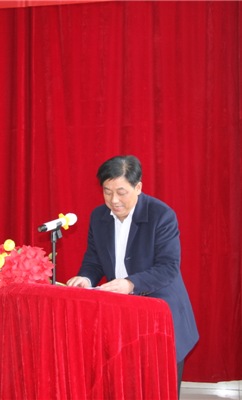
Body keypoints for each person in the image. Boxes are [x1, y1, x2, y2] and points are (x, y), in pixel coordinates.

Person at [67, 155, 199, 397]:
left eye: (121, 192)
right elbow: (94, 261)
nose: (113, 200)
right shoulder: (98, 216)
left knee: (160, 390)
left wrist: (131, 284)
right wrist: (85, 279)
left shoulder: (161, 215)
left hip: (160, 315)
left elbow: (168, 267)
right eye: (107, 192)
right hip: (120, 317)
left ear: (138, 187)